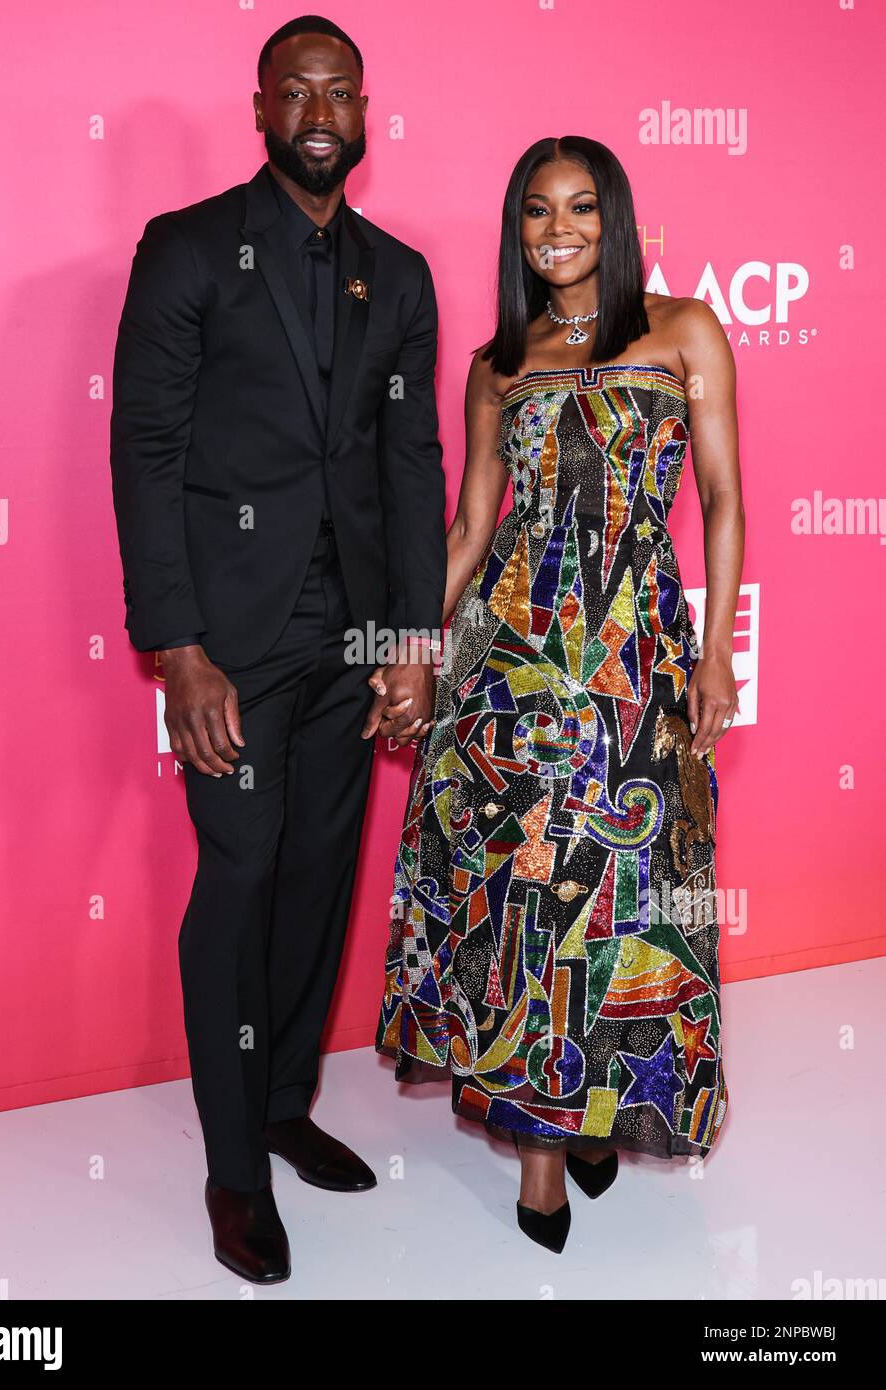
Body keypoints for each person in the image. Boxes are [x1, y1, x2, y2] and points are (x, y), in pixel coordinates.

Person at [109, 15, 446, 1284]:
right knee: (239, 880)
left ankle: (286, 1101)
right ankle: (233, 1172)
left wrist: (412, 639)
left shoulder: (398, 275)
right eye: (294, 89)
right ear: (259, 109)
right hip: (234, 650)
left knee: (317, 877)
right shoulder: (189, 249)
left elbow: (411, 466)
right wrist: (178, 647)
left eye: (339, 90)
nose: (319, 109)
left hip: (354, 642)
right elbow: (143, 449)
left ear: (365, 113)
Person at [376, 136, 743, 1254]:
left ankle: (596, 1105)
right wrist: (403, 645)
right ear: (517, 229)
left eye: (581, 207)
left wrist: (717, 652)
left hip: (634, 661)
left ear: (615, 216)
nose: (560, 229)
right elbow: (472, 529)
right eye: (538, 212)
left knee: (625, 893)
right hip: (511, 672)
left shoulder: (683, 331)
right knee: (529, 891)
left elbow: (724, 499)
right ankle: (542, 1154)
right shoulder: (499, 364)